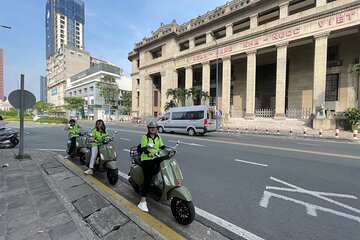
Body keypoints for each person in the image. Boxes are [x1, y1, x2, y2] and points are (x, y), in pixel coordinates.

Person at [138, 120, 166, 212]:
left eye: (154, 128)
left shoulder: (158, 137)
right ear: (148, 129)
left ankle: (157, 183)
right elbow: (143, 148)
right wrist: (149, 154)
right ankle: (142, 201)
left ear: (157, 129)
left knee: (165, 166)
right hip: (146, 159)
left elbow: (162, 147)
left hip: (156, 157)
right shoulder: (145, 137)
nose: (153, 129)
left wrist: (168, 150)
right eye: (151, 128)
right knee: (148, 178)